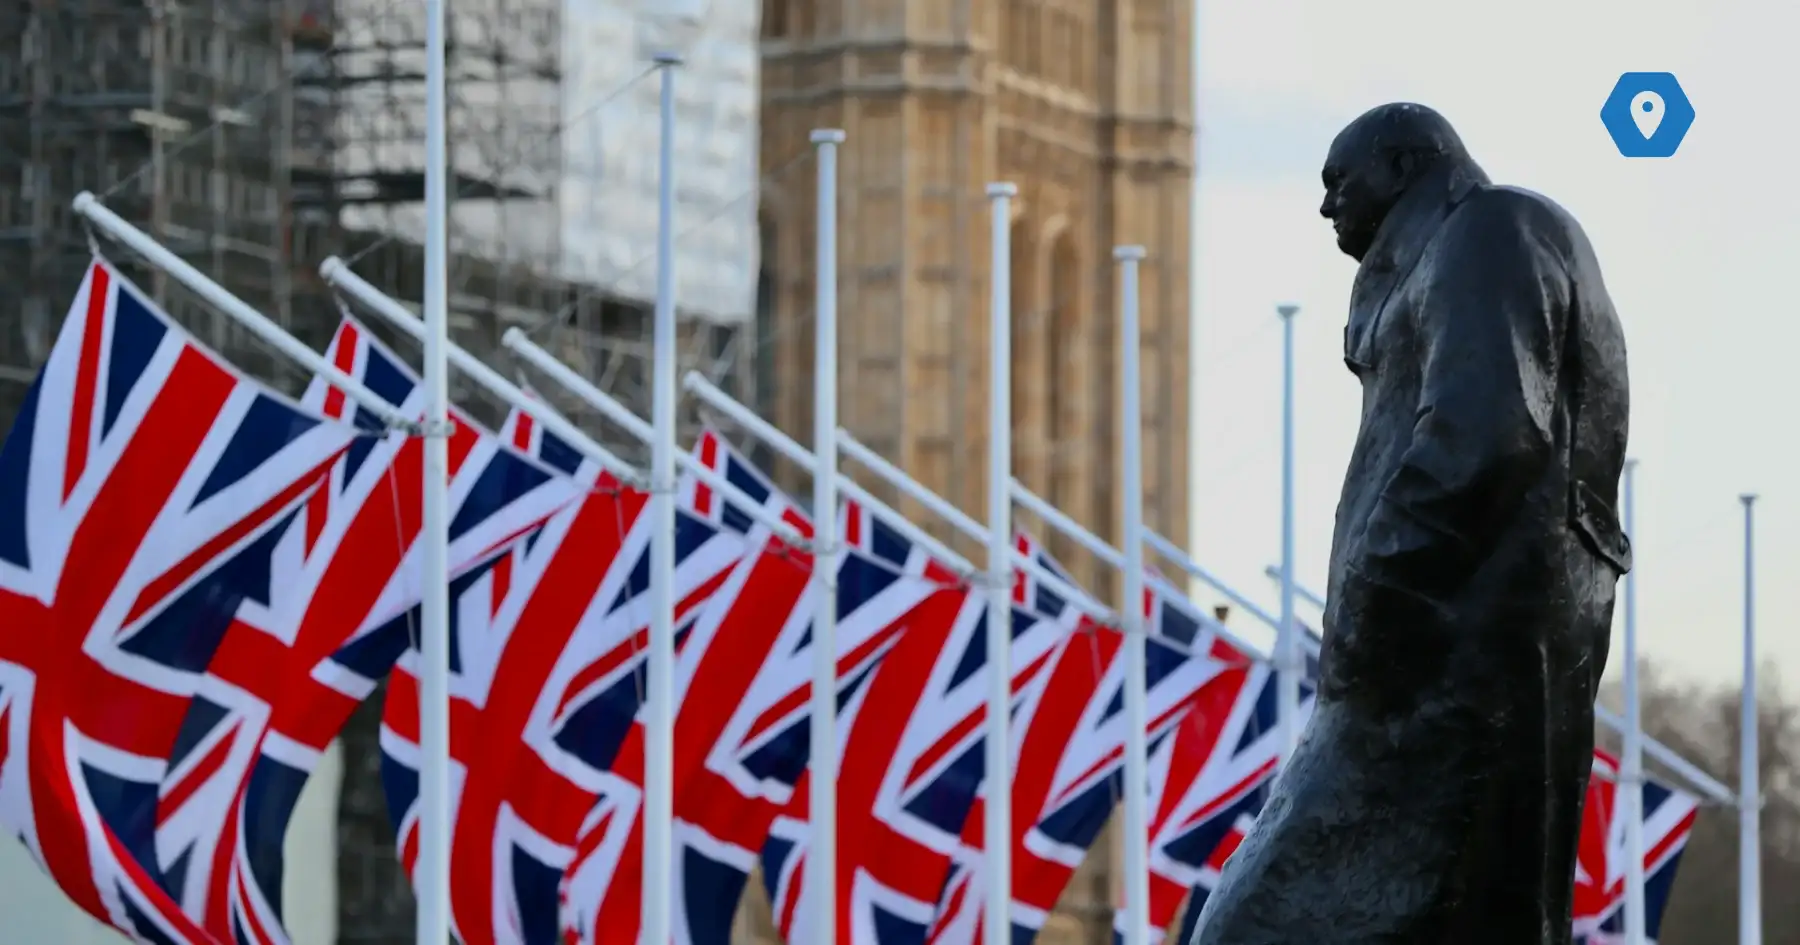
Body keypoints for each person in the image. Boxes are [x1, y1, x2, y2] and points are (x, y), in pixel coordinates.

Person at [1190, 103, 1633, 945]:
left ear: (1402, 166)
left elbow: (1491, 431)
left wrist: (1376, 590)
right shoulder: (1460, 250)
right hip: (1444, 648)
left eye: (1338, 183)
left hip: (1449, 652)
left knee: (1255, 928)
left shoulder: (1490, 231)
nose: (1327, 208)